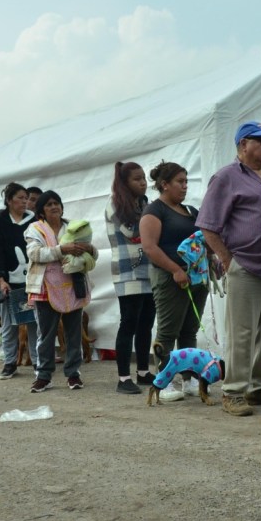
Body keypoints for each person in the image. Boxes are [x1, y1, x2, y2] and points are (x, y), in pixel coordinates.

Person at [197, 122, 261, 417]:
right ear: (243, 144)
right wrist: (228, 259)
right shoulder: (226, 177)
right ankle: (233, 391)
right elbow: (208, 225)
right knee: (242, 332)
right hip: (245, 264)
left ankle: (256, 387)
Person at [139, 161, 208, 401]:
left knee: (189, 331)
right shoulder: (154, 211)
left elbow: (204, 240)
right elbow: (149, 247)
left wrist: (214, 259)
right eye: (180, 182)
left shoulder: (191, 211)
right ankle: (164, 383)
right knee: (168, 332)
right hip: (170, 278)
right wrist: (174, 270)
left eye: (186, 181)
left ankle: (188, 381)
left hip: (196, 279)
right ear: (164, 184)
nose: (185, 186)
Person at [25, 190, 98, 392]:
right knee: (46, 334)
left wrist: (89, 250)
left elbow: (93, 250)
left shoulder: (73, 227)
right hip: (45, 287)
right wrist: (63, 249)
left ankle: (73, 374)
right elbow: (34, 253)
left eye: (56, 203)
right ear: (41, 210)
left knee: (74, 333)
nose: (54, 207)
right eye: (48, 204)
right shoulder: (34, 229)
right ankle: (44, 375)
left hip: (73, 285)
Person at [106, 161, 157, 395]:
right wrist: (154, 218)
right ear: (125, 183)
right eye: (137, 179)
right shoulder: (115, 204)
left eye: (144, 177)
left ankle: (144, 372)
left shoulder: (144, 203)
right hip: (128, 271)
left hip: (149, 269)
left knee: (146, 322)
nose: (143, 182)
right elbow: (133, 231)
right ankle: (123, 378)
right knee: (129, 323)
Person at [0, 182, 38, 381]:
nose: (24, 202)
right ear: (9, 200)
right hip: (9, 282)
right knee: (9, 324)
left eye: (26, 198)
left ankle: (38, 362)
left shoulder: (33, 221)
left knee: (34, 322)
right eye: (20, 198)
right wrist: (0, 280)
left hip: (32, 280)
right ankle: (10, 362)